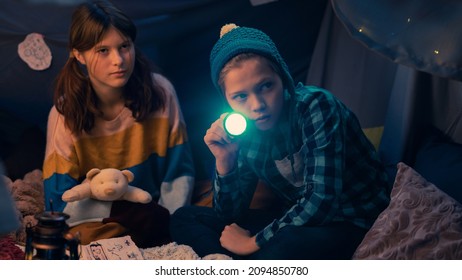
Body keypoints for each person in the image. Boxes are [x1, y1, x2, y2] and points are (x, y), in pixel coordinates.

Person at [170, 23, 390, 259]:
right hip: (295, 220)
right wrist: (226, 162)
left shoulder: (316, 106)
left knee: (287, 243)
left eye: (266, 86)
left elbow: (322, 201)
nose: (257, 106)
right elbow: (230, 217)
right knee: (185, 217)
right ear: (227, 100)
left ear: (283, 79)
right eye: (240, 96)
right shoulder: (244, 129)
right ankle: (226, 263)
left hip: (350, 220)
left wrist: (255, 241)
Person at [43, 0, 194, 248]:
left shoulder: (161, 93)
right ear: (79, 54)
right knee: (74, 236)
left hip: (156, 209)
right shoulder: (64, 113)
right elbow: (59, 201)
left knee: (210, 213)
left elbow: (179, 174)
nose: (119, 60)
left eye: (125, 46)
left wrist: (167, 222)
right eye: (103, 50)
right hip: (98, 218)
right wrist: (126, 211)